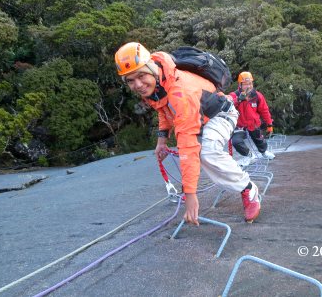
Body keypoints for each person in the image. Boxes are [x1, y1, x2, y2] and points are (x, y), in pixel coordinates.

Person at [114, 42, 261, 224]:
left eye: (141, 75)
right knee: (203, 152)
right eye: (130, 80)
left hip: (220, 113)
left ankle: (248, 188)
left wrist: (190, 193)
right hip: (201, 117)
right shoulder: (158, 80)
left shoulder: (179, 91)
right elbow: (163, 109)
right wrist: (162, 140)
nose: (138, 85)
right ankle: (242, 185)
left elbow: (188, 142)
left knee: (207, 152)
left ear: (151, 68)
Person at [230, 71, 275, 167]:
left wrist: (269, 124)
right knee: (236, 142)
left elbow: (264, 110)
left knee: (259, 140)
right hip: (239, 125)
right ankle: (248, 155)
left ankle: (264, 152)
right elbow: (227, 106)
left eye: (250, 83)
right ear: (240, 84)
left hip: (253, 124)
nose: (248, 86)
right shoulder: (234, 95)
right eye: (245, 84)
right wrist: (238, 100)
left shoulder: (257, 96)